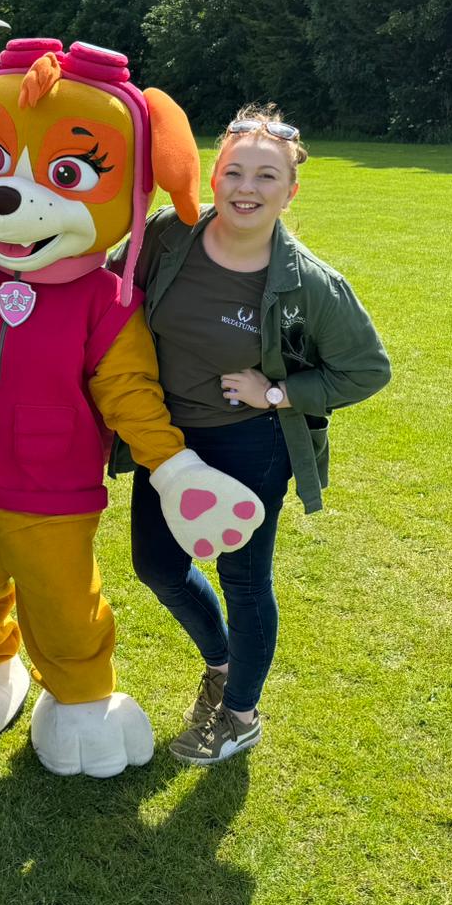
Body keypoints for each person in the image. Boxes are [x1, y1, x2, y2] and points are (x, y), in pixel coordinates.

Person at [117, 104, 390, 766]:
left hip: (250, 446)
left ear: (289, 192)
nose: (247, 188)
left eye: (265, 176)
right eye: (234, 171)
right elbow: (111, 285)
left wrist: (278, 392)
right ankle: (221, 663)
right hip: (168, 443)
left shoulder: (309, 284)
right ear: (212, 178)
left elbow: (367, 369)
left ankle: (239, 714)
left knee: (243, 578)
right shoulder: (169, 237)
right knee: (156, 565)